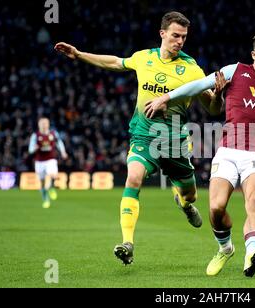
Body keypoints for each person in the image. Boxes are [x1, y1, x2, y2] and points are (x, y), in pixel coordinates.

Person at [55, 11, 218, 266]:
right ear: (162, 33)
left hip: (174, 140)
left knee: (191, 195)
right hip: (144, 134)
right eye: (175, 35)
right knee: (133, 177)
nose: (180, 41)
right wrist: (79, 55)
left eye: (184, 37)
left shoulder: (192, 70)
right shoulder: (144, 58)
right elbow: (114, 62)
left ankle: (184, 204)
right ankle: (128, 243)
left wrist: (217, 94)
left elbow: (213, 109)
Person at [145, 31, 255, 277]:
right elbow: (198, 85)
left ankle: (252, 253)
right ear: (254, 55)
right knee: (216, 209)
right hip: (228, 151)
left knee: (253, 202)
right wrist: (166, 97)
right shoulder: (235, 71)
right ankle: (225, 248)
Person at [28, 118, 68, 209]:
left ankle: (52, 188)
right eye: (42, 123)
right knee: (42, 183)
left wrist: (63, 152)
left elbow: (59, 143)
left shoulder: (53, 134)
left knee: (53, 175)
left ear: (48, 124)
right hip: (39, 162)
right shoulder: (35, 136)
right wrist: (34, 148)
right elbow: (30, 150)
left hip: (51, 159)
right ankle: (45, 199)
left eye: (45, 123)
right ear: (39, 125)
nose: (43, 125)